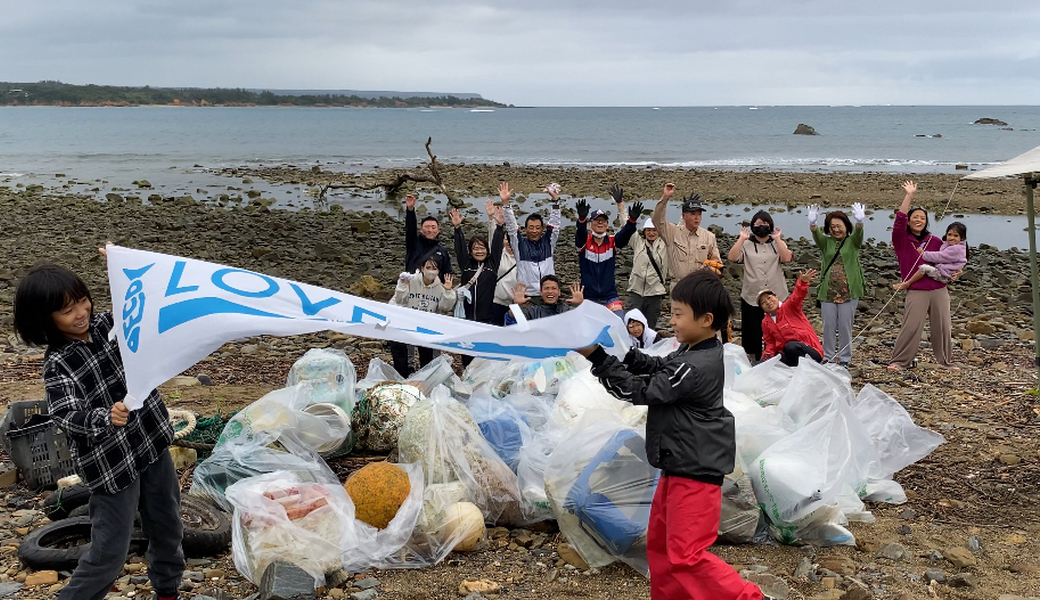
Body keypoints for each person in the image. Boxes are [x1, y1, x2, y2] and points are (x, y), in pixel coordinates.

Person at [576, 270, 768, 600]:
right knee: (661, 548)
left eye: (679, 314)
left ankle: (748, 597)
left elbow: (641, 390)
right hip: (676, 467)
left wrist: (597, 357)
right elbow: (657, 367)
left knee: (687, 556)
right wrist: (624, 352)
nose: (672, 321)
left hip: (695, 474)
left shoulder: (697, 365)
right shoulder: (692, 351)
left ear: (706, 319)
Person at [12, 258, 184, 600]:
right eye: (66, 310)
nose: (80, 313)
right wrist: (104, 418)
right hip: (111, 466)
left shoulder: (110, 325)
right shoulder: (59, 362)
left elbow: (147, 307)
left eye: (81, 300)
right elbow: (64, 414)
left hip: (150, 443)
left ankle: (167, 592)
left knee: (168, 527)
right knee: (110, 551)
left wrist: (125, 264)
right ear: (45, 320)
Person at [888, 181, 958, 371]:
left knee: (943, 327)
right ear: (910, 220)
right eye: (915, 217)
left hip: (938, 289)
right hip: (916, 290)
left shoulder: (935, 241)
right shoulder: (901, 239)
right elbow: (899, 219)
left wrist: (955, 272)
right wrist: (909, 196)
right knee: (911, 327)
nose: (919, 220)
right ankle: (900, 361)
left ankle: (946, 362)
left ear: (927, 222)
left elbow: (950, 259)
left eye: (923, 217)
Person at [727, 210, 793, 362]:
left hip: (776, 294)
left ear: (770, 226)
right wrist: (741, 239)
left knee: (780, 327)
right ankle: (754, 359)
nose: (761, 227)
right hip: (752, 295)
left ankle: (780, 356)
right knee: (752, 330)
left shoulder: (777, 243)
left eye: (764, 224)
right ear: (752, 226)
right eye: (757, 224)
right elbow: (732, 257)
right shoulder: (747, 244)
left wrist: (778, 239)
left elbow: (787, 258)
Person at [808, 203, 866, 366]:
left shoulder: (853, 242)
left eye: (839, 226)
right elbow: (815, 234)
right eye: (832, 226)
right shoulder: (826, 242)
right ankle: (828, 357)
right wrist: (812, 223)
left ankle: (845, 359)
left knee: (845, 327)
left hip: (848, 291)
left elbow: (859, 233)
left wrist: (860, 221)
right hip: (828, 292)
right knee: (828, 327)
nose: (836, 229)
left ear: (846, 226)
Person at [574, 184, 640, 317]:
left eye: (603, 221)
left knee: (619, 323)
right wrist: (581, 220)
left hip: (610, 296)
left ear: (607, 224)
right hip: (588, 296)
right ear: (590, 224)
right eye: (596, 220)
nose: (600, 223)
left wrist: (632, 221)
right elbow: (580, 234)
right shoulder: (584, 243)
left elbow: (626, 233)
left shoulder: (612, 241)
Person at [388, 259, 457, 376]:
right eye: (428, 267)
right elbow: (400, 300)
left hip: (424, 324)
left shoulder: (440, 287)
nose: (431, 271)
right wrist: (403, 285)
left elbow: (446, 306)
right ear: (422, 268)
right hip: (403, 320)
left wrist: (448, 290)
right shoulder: (411, 280)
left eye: (434, 268)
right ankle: (401, 377)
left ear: (438, 271)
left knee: (426, 352)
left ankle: (425, 378)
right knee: (399, 348)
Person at [651, 182, 722, 285]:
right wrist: (665, 198)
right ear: (684, 216)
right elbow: (657, 220)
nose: (697, 217)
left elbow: (718, 264)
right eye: (693, 214)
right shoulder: (672, 232)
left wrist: (710, 268)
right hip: (679, 286)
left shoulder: (709, 237)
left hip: (700, 287)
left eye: (699, 214)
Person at [501, 181, 562, 300]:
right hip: (527, 295)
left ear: (542, 229)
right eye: (531, 227)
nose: (534, 231)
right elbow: (511, 227)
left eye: (538, 228)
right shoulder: (519, 244)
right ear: (526, 229)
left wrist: (555, 200)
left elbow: (555, 224)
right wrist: (506, 203)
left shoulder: (548, 242)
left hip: (548, 293)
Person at [758, 270, 824, 367]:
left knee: (790, 347)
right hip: (789, 355)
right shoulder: (766, 322)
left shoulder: (789, 307)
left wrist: (802, 282)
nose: (768, 302)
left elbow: (797, 296)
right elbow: (770, 343)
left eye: (769, 298)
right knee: (772, 362)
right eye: (763, 302)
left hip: (809, 349)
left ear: (776, 297)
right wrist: (767, 356)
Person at [894, 222, 968, 290]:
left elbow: (940, 257)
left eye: (956, 236)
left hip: (944, 275)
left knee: (924, 268)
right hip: (945, 273)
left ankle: (907, 283)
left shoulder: (957, 249)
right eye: (949, 234)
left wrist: (923, 254)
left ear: (961, 238)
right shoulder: (950, 245)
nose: (952, 238)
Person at [625, 217, 669, 330]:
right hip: (635, 292)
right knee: (631, 326)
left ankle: (649, 347)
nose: (651, 233)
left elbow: (679, 230)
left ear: (659, 231)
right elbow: (626, 227)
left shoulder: (666, 245)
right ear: (644, 232)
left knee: (650, 328)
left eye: (654, 230)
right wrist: (620, 206)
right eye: (648, 230)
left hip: (655, 294)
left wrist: (684, 212)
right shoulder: (637, 243)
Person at [403, 193, 452, 280]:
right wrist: (410, 210)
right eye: (427, 227)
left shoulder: (442, 251)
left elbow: (447, 273)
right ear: (421, 230)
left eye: (433, 227)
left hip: (433, 290)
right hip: (413, 287)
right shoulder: (414, 244)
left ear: (438, 231)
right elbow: (410, 229)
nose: (430, 230)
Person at [504, 275, 584, 324]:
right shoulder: (532, 311)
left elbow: (587, 322)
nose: (550, 291)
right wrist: (516, 305)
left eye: (554, 288)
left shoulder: (568, 311)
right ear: (540, 292)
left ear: (559, 292)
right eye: (546, 288)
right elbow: (512, 322)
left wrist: (582, 304)